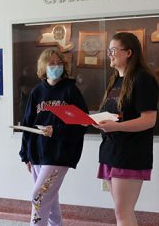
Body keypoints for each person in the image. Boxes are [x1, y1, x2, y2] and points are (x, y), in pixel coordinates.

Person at [95, 32, 158, 226]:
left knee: (123, 213)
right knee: (122, 212)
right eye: (109, 50)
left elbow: (149, 120)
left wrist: (116, 126)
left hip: (130, 154)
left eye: (113, 50)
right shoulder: (116, 80)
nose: (110, 55)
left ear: (129, 52)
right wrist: (93, 121)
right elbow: (112, 114)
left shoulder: (143, 79)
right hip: (111, 152)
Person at [19, 48, 87, 226]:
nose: (56, 66)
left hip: (59, 153)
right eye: (52, 63)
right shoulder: (36, 92)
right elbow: (27, 124)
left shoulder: (71, 91)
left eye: (59, 63)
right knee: (50, 198)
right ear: (43, 66)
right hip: (37, 153)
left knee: (39, 196)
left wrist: (56, 131)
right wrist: (25, 154)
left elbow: (82, 124)